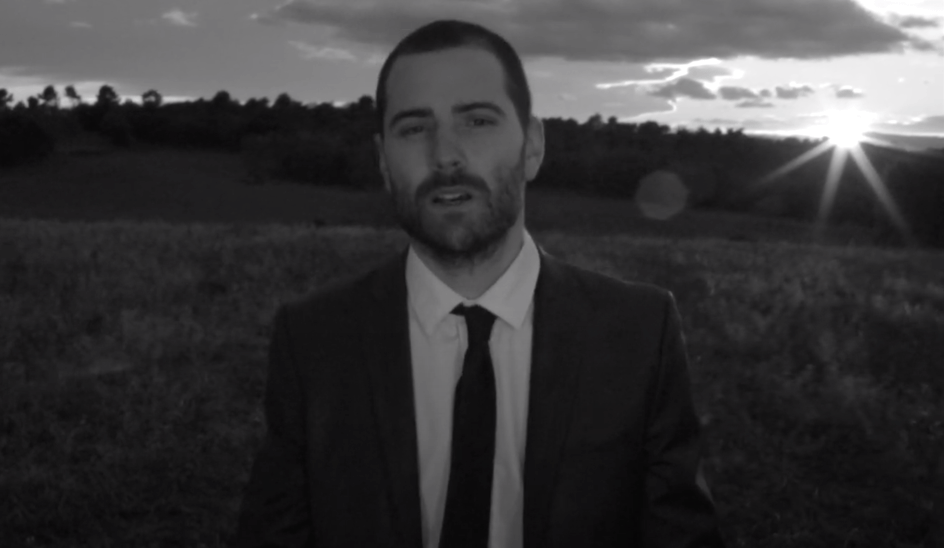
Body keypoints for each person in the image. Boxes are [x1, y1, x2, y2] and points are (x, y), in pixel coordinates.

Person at [234, 18, 725, 548]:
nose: (445, 155)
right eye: (414, 128)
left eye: (477, 121)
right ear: (383, 161)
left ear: (532, 145)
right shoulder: (314, 340)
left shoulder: (638, 334)